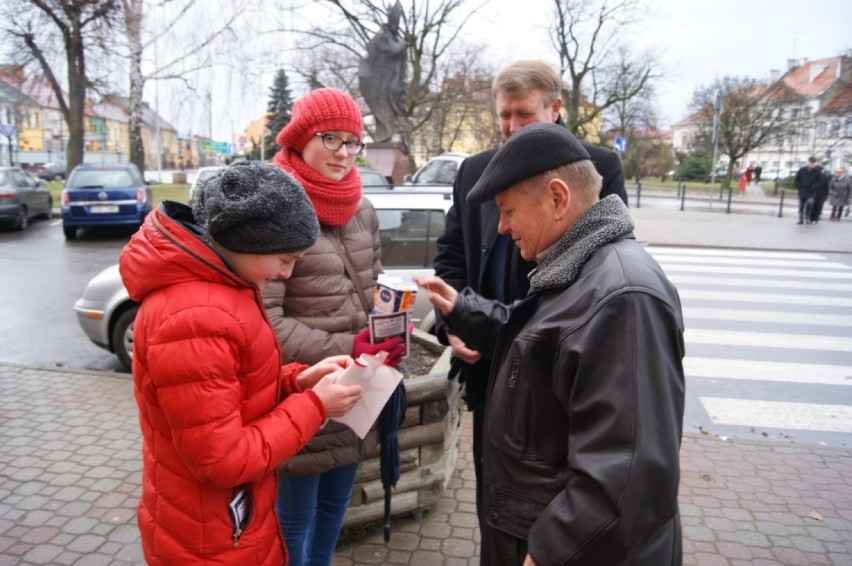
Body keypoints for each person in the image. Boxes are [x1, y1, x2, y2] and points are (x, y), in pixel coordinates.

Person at [417, 122, 685, 566]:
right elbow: (544, 341)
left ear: (558, 198)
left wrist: (547, 553)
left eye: (508, 210)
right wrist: (463, 310)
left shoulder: (623, 297)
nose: (501, 228)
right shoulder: (580, 266)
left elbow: (626, 474)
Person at [119, 161, 363, 565]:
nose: (288, 273)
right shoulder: (196, 317)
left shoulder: (224, 287)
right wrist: (315, 406)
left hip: (221, 523)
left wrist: (297, 381)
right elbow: (221, 460)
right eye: (285, 258)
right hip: (210, 538)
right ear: (249, 243)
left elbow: (234, 389)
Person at [432, 59, 627, 531]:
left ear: (556, 108)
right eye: (505, 115)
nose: (513, 128)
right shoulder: (475, 170)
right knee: (493, 500)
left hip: (549, 366)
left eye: (525, 115)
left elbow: (605, 258)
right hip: (486, 364)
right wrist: (452, 328)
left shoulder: (596, 166)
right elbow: (451, 261)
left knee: (545, 501)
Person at [263, 87, 406, 566]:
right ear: (301, 139)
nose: (345, 154)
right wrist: (351, 346)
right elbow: (267, 322)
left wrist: (389, 333)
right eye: (331, 139)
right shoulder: (275, 208)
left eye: (353, 141)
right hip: (302, 393)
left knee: (333, 511)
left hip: (358, 390)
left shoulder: (361, 207)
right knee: (294, 523)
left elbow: (372, 288)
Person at [794, 157, 821, 224]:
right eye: (810, 162)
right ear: (808, 162)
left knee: (809, 204)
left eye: (813, 163)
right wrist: (798, 186)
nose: (811, 164)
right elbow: (797, 179)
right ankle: (801, 219)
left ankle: (807, 218)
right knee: (801, 206)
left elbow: (819, 181)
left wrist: (815, 186)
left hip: (811, 191)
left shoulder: (817, 171)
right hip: (802, 190)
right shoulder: (802, 170)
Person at [811, 158, 831, 223]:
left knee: (819, 206)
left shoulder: (825, 176)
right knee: (813, 206)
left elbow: (827, 185)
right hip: (814, 193)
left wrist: (826, 194)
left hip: (821, 194)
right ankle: (812, 218)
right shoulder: (814, 176)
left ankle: (816, 218)